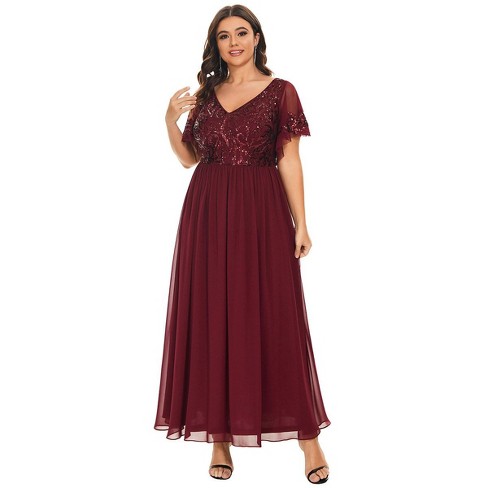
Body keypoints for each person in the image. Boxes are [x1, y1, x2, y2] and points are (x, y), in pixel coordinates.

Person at [154, 4, 332, 484]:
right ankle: (219, 439)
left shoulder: (281, 91)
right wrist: (169, 121)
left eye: (241, 33)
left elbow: (289, 159)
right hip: (207, 212)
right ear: (215, 44)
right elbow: (189, 159)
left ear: (256, 38)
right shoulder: (206, 96)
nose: (233, 42)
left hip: (262, 210)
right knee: (212, 316)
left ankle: (309, 439)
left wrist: (301, 223)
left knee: (276, 317)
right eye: (224, 35)